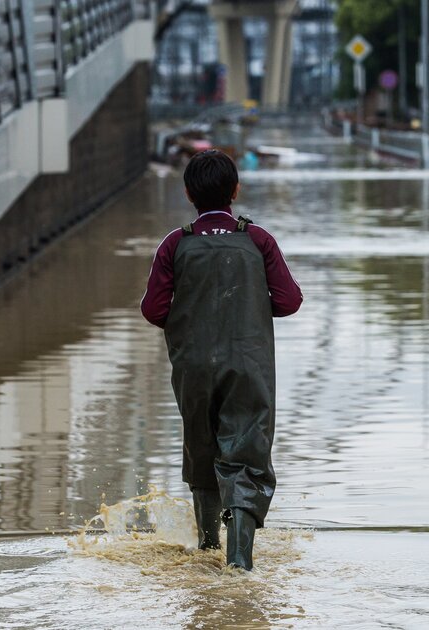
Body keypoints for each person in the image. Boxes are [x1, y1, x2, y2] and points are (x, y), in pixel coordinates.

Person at [140, 150, 303, 570]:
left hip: (193, 367)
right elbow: (289, 302)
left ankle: (207, 549)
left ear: (188, 193)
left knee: (202, 447)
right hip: (249, 365)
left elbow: (154, 310)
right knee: (246, 455)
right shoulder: (258, 239)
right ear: (236, 191)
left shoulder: (175, 243)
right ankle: (239, 562)